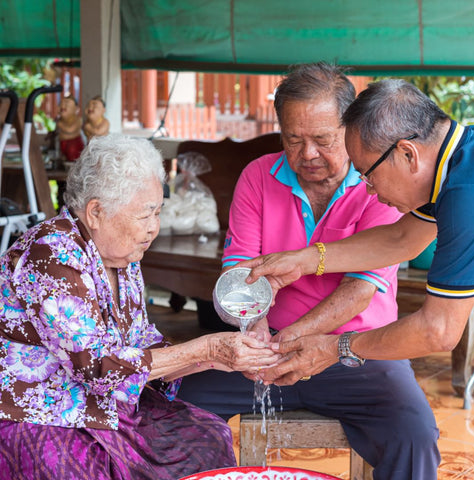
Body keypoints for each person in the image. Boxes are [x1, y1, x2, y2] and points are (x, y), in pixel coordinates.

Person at [178, 64, 440, 480]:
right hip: (266, 352)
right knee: (176, 406)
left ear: (351, 129)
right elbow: (241, 274)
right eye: (293, 140)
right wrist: (257, 329)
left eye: (322, 139)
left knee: (414, 436)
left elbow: (360, 290)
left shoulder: (379, 180)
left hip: (358, 353)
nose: (308, 155)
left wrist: (294, 340)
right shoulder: (258, 177)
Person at [0, 134, 280, 480]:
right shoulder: (50, 254)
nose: (153, 229)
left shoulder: (123, 256)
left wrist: (219, 358)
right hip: (40, 413)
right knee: (86, 469)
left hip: (105, 409)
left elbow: (144, 350)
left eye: (158, 213)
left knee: (208, 437)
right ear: (96, 212)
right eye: (144, 215)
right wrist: (209, 347)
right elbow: (98, 367)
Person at [56, 95, 84, 162]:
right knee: (63, 158)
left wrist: (60, 125)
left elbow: (70, 129)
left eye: (67, 104)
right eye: (61, 104)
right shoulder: (59, 120)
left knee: (73, 157)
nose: (63, 106)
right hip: (62, 143)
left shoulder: (78, 120)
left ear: (76, 109)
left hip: (73, 143)